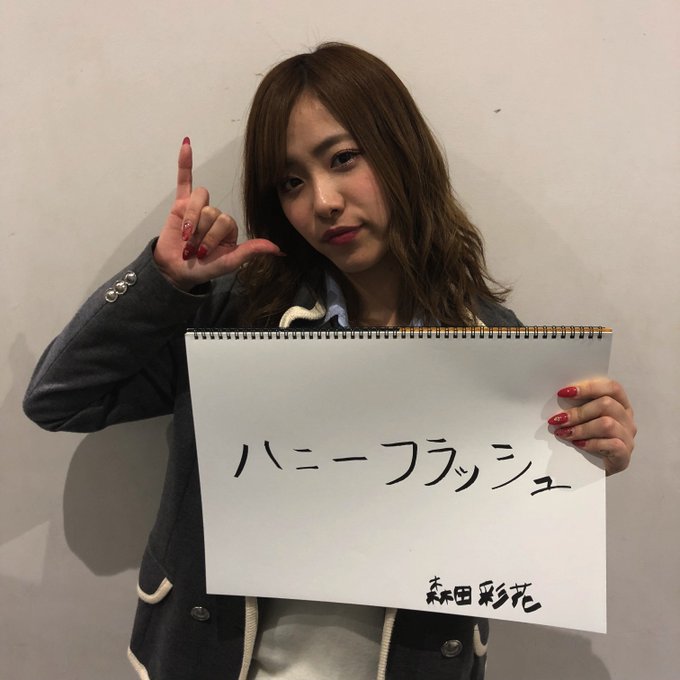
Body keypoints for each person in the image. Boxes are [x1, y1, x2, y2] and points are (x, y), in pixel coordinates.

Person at [23, 43, 636, 680]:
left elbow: (510, 527)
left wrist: (587, 452)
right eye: (291, 182)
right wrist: (164, 281)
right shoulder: (235, 318)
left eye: (343, 159)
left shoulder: (494, 344)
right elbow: (59, 400)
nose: (322, 202)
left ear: (401, 152)